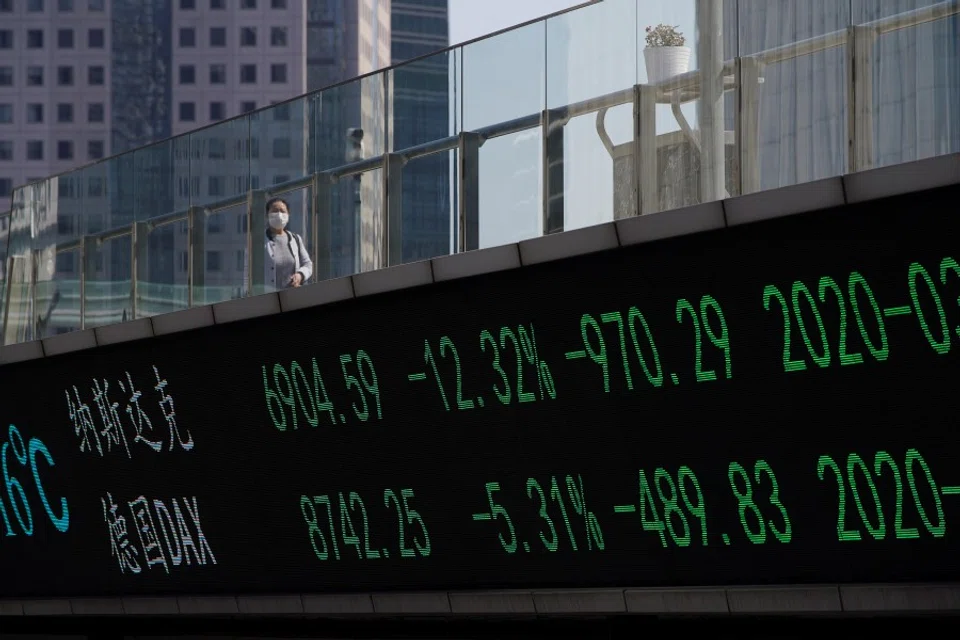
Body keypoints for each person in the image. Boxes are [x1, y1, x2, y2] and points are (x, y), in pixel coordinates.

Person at [242, 196, 313, 295]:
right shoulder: (257, 241)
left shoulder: (295, 239)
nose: (279, 214)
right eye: (275, 211)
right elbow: (248, 272)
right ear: (267, 215)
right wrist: (248, 293)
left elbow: (308, 264)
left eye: (283, 211)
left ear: (288, 215)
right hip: (267, 298)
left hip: (293, 296)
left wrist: (300, 275)